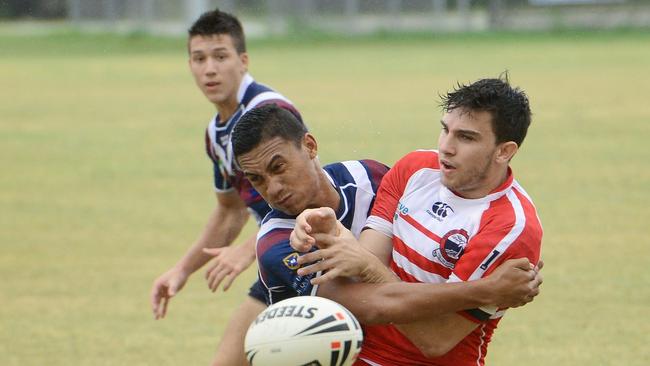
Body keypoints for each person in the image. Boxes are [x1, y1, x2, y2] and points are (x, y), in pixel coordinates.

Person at [232, 103, 542, 364]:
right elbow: (374, 305)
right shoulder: (277, 244)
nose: (271, 189)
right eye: (256, 179)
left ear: (310, 146)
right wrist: (487, 289)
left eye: (278, 168)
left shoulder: (372, 176)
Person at [148, 8, 302, 366]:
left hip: (315, 259)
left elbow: (307, 200)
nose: (209, 69)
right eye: (198, 59)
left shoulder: (271, 112)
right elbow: (230, 210)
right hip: (279, 261)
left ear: (243, 60)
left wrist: (249, 249)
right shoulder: (216, 133)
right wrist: (182, 270)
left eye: (220, 56)